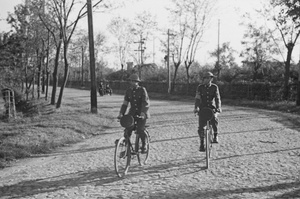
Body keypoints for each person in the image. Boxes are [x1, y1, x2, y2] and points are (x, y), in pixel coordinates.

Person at [117, 74, 150, 153]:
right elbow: (125, 103)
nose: (132, 82)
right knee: (128, 128)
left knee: (140, 129)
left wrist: (143, 113)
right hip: (132, 113)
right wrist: (121, 113)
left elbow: (145, 103)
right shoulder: (128, 91)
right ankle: (126, 145)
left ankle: (144, 144)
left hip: (142, 113)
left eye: (134, 81)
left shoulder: (142, 90)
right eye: (131, 81)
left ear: (137, 82)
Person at [194, 72, 222, 152]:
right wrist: (196, 108)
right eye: (206, 78)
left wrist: (218, 108)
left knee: (215, 119)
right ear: (203, 79)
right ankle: (202, 143)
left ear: (211, 79)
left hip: (212, 108)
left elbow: (217, 98)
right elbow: (197, 98)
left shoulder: (214, 87)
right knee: (201, 127)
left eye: (209, 78)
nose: (207, 80)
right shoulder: (200, 87)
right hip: (202, 108)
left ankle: (215, 135)